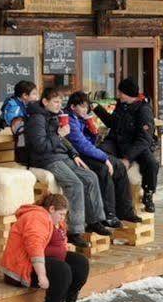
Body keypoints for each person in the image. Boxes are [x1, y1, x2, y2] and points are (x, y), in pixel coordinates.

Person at [20, 84, 109, 237]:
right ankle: (74, 231)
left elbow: (64, 141)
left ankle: (94, 221)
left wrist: (75, 154)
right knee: (75, 184)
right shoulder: (37, 119)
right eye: (55, 102)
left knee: (91, 177)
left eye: (60, 102)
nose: (59, 105)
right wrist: (59, 135)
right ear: (45, 102)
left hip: (61, 156)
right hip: (46, 159)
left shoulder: (53, 116)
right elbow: (41, 146)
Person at [0, 190, 89, 302]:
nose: (62, 218)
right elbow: (34, 247)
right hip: (21, 270)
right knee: (62, 269)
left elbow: (58, 243)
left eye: (64, 215)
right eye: (61, 214)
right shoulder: (36, 217)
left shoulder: (55, 221)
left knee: (80, 262)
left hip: (40, 263)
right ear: (52, 209)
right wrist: (42, 276)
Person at [65, 91, 136, 225]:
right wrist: (104, 158)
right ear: (73, 107)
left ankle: (125, 210)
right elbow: (82, 145)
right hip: (78, 156)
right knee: (103, 169)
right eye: (82, 106)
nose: (85, 109)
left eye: (87, 106)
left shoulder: (80, 119)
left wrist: (92, 131)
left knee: (119, 165)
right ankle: (108, 214)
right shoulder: (69, 120)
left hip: (88, 153)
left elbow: (90, 143)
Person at [101, 77, 162, 213]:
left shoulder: (143, 110)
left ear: (127, 94)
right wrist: (97, 109)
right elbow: (112, 123)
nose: (118, 95)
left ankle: (148, 194)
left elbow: (144, 140)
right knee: (101, 152)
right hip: (117, 142)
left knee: (151, 163)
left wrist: (128, 158)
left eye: (120, 92)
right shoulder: (121, 105)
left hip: (136, 146)